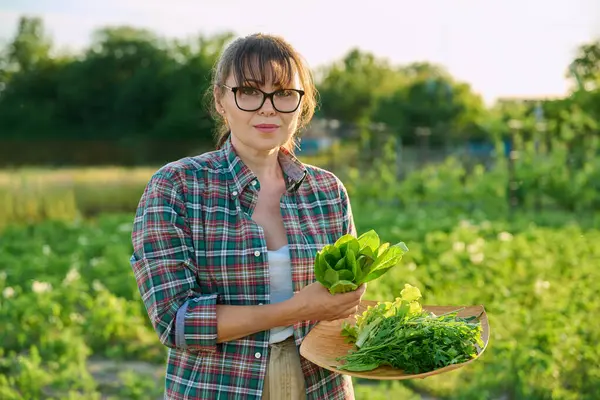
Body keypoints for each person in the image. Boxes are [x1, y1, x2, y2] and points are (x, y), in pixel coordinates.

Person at [129, 33, 365, 400]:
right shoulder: (177, 186)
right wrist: (297, 309)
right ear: (221, 100)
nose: (268, 108)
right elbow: (176, 323)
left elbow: (344, 305)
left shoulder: (327, 191)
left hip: (321, 384)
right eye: (250, 91)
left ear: (302, 105)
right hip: (221, 386)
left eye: (285, 93)